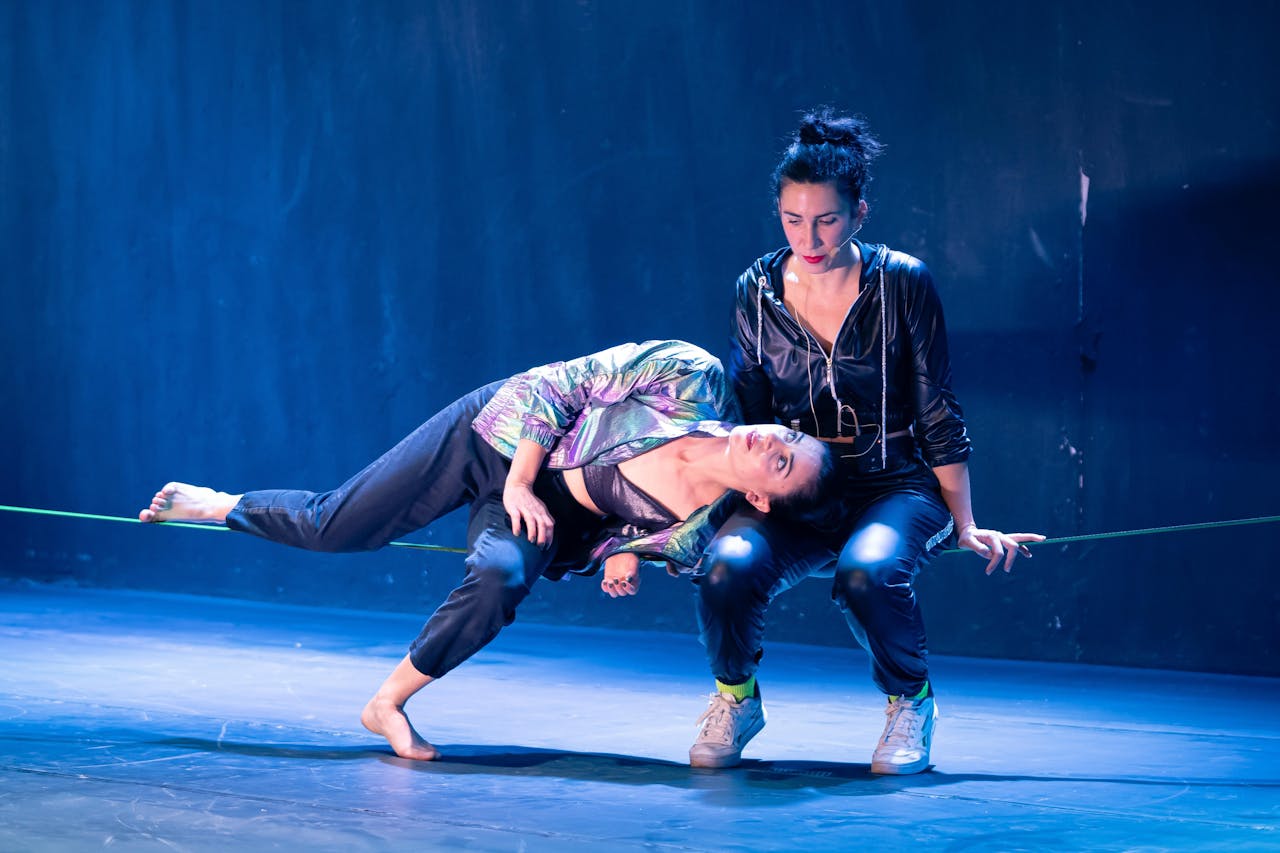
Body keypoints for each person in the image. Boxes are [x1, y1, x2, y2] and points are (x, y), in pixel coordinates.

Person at [138, 339, 834, 761]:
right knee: (340, 525)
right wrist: (522, 482)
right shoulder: (691, 378)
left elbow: (625, 534)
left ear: (762, 498)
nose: (770, 442)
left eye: (781, 463)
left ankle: (387, 703)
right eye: (787, 437)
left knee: (501, 577)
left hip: (539, 514)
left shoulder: (698, 527)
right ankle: (219, 504)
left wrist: (624, 552)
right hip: (494, 436)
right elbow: (556, 385)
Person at [688, 110, 1045, 773]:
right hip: (794, 486)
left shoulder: (903, 281)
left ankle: (911, 701)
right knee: (723, 568)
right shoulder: (755, 290)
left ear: (859, 213)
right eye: (793, 219)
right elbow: (747, 416)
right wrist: (728, 502)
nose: (809, 237)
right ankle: (736, 698)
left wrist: (965, 522)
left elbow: (937, 407)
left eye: (826, 219)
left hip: (893, 483)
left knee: (868, 573)